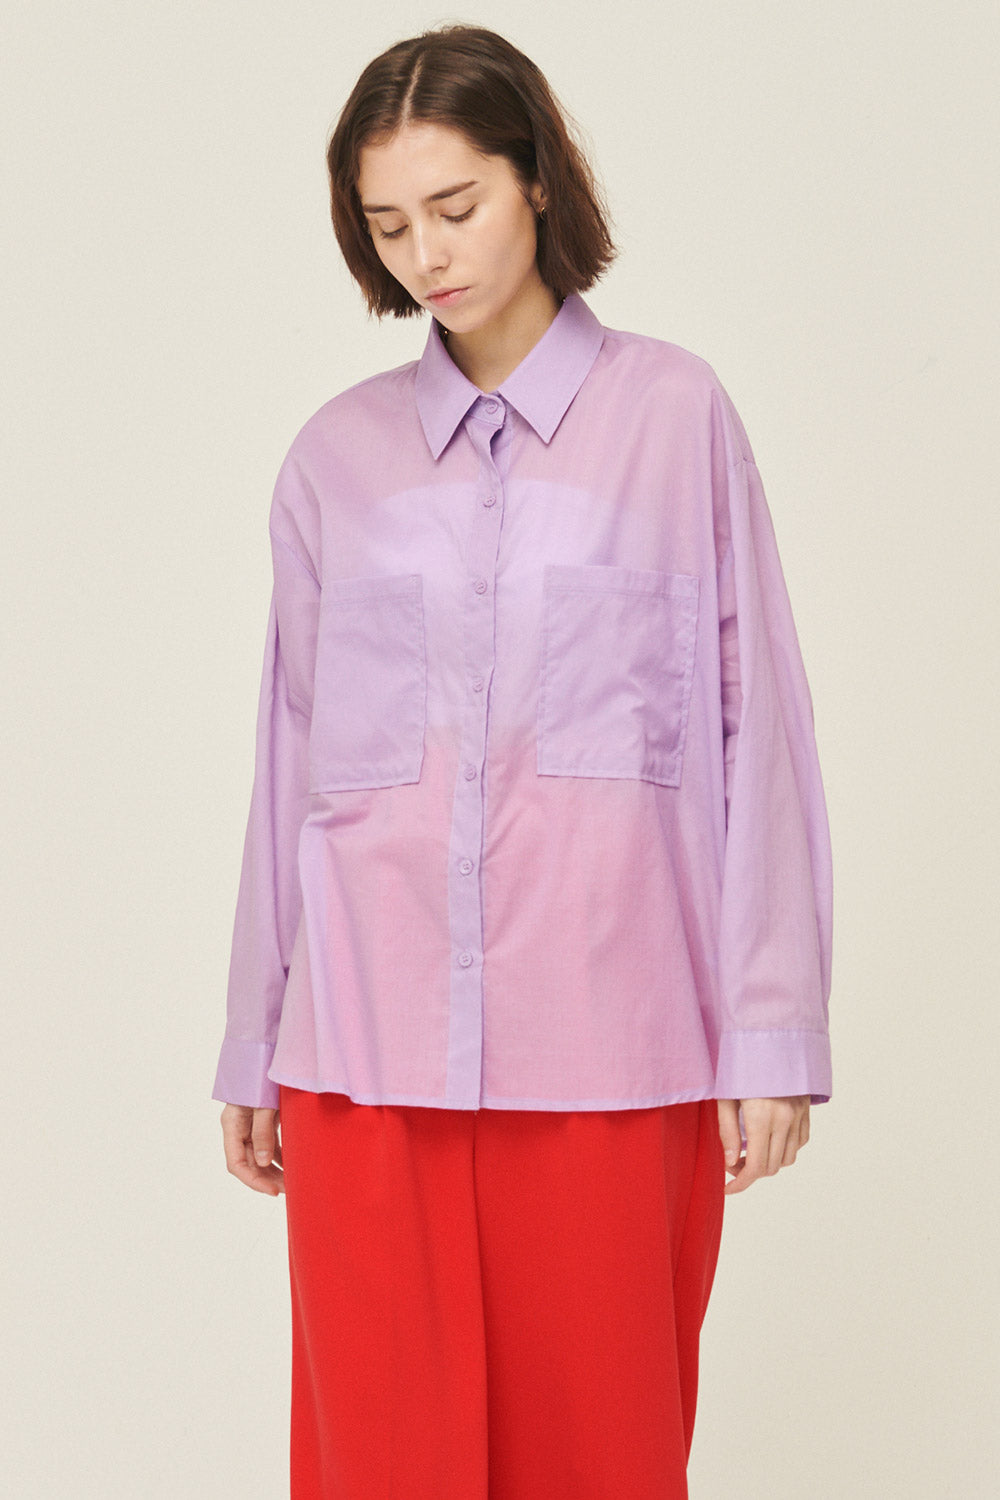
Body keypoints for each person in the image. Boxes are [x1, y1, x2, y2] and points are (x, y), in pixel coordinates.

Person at [213, 22, 833, 1500]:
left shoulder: (676, 420)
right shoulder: (333, 464)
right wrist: (254, 1036)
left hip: (616, 1062)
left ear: (538, 180)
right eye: (388, 225)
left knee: (602, 1462)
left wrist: (771, 1032)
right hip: (363, 1067)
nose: (427, 254)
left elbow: (758, 728)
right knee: (379, 1468)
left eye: (456, 205)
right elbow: (289, 765)